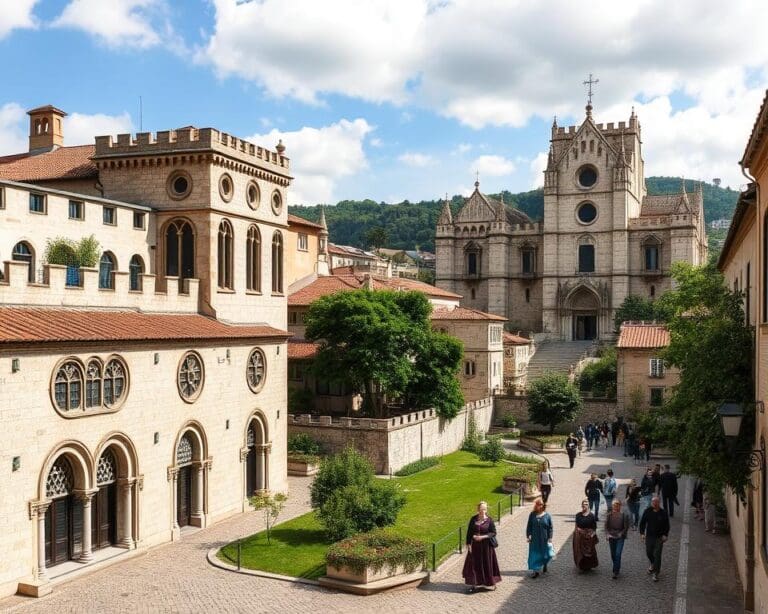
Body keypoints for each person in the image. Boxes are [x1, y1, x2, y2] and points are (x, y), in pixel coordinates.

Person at [463, 501, 501, 593]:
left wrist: (483, 537)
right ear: (478, 509)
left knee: (487, 564)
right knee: (475, 565)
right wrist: (469, 544)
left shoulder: (489, 520)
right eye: (481, 509)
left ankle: (490, 582)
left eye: (484, 509)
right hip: (475, 547)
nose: (483, 511)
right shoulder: (473, 519)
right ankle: (474, 583)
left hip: (486, 547)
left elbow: (493, 532)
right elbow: (469, 533)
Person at [639, 496, 670, 582]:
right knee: (648, 552)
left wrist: (665, 535)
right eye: (653, 502)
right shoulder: (647, 511)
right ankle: (652, 563)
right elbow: (642, 523)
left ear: (659, 503)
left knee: (657, 555)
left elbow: (667, 525)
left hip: (659, 537)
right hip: (649, 536)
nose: (654, 503)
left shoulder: (663, 513)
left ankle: (656, 573)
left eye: (656, 502)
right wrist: (642, 533)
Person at [526, 497, 554, 578]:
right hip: (534, 538)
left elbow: (550, 527)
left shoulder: (547, 516)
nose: (539, 506)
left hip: (544, 538)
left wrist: (550, 537)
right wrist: (528, 535)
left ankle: (544, 564)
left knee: (545, 554)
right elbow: (529, 526)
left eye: (541, 504)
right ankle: (536, 570)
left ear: (543, 505)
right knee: (534, 554)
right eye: (538, 504)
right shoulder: (532, 514)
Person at [605, 499, 630, 578]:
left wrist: (621, 533)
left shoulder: (624, 515)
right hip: (611, 537)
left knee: (618, 554)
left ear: (620, 506)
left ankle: (615, 571)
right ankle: (617, 567)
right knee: (613, 554)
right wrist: (607, 534)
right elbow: (606, 526)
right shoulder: (609, 515)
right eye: (614, 505)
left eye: (617, 505)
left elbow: (626, 527)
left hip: (620, 537)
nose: (615, 507)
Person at [573, 499, 599, 571]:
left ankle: (589, 565)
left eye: (586, 504)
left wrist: (592, 535)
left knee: (590, 551)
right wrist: (576, 535)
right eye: (583, 504)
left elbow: (594, 527)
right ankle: (582, 565)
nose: (585, 505)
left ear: (588, 506)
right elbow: (576, 526)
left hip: (589, 536)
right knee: (580, 552)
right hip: (580, 536)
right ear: (581, 505)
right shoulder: (578, 515)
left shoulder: (592, 516)